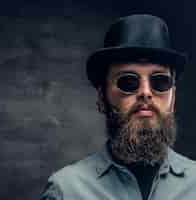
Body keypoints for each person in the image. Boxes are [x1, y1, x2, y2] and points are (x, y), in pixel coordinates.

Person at [40, 14, 196, 200]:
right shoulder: (65, 191)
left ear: (173, 97)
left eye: (160, 82)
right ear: (101, 97)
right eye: (128, 81)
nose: (145, 92)